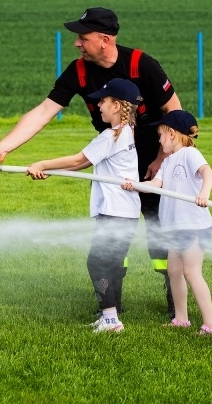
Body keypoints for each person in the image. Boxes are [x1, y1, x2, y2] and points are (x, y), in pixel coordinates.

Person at [0, 7, 183, 319]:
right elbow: (44, 111)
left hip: (155, 163)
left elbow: (175, 114)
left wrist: (161, 160)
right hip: (114, 162)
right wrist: (3, 148)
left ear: (104, 40)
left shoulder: (142, 64)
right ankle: (112, 305)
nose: (76, 43)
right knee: (114, 232)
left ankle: (176, 306)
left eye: (82, 37)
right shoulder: (79, 71)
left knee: (161, 234)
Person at [26, 78, 142, 333]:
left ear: (116, 106)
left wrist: (42, 164)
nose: (98, 105)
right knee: (109, 263)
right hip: (125, 211)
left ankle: (111, 320)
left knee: (97, 263)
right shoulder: (127, 133)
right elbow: (82, 164)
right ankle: (110, 315)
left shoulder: (112, 136)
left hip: (115, 212)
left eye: (103, 100)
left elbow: (79, 158)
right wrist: (50, 170)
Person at [122, 110, 212, 335]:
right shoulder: (167, 162)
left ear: (173, 135)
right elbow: (156, 185)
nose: (159, 140)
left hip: (194, 226)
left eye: (161, 135)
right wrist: (135, 185)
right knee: (174, 272)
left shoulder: (189, 154)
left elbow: (208, 172)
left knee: (192, 272)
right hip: (175, 228)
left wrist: (205, 192)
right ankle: (181, 319)